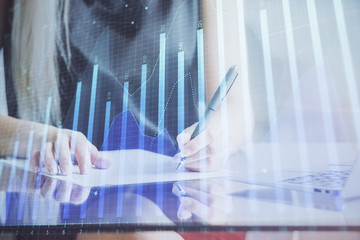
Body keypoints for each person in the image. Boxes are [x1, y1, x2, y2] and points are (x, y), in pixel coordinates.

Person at [0, 0, 254, 175]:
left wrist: (216, 138)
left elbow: (237, 111)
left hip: (183, 195)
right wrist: (40, 137)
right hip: (68, 197)